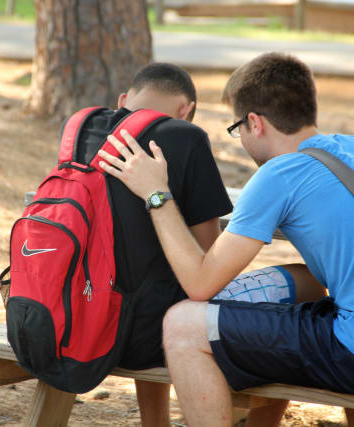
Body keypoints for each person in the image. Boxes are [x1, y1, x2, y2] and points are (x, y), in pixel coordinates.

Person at [97, 52, 354, 427]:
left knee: (183, 324)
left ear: (254, 123)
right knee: (305, 283)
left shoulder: (280, 174)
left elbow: (199, 283)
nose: (239, 137)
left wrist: (156, 194)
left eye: (236, 127)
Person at [68, 62, 233, 427]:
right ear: (185, 110)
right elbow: (208, 258)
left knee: (148, 271)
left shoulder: (81, 127)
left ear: (124, 100)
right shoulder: (186, 137)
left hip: (77, 319)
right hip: (144, 335)